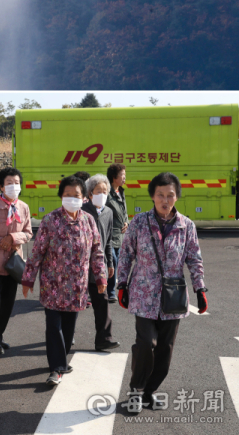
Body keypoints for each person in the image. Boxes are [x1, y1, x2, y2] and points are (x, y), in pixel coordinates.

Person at [117, 172, 208, 413]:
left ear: (176, 197)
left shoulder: (186, 225)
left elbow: (194, 258)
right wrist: (122, 284)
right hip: (143, 294)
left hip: (173, 297)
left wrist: (200, 288)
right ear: (153, 196)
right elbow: (126, 254)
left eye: (170, 195)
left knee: (165, 350)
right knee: (146, 343)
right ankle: (136, 389)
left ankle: (150, 391)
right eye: (160, 195)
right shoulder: (139, 222)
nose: (165, 200)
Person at [22, 175, 107, 387]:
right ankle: (57, 367)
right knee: (53, 326)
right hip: (52, 286)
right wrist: (28, 278)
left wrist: (100, 276)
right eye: (67, 195)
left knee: (68, 330)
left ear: (84, 197)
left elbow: (97, 251)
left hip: (77, 287)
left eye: (76, 195)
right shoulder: (50, 220)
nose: (71, 199)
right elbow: (37, 252)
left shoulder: (88, 221)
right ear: (61, 196)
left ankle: (61, 358)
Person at [0, 167, 32, 356]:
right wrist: (2, 242)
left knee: (8, 304)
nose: (13, 186)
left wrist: (14, 238)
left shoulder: (24, 207)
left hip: (14, 265)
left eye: (16, 183)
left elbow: (28, 233)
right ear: (1, 186)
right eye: (9, 183)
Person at [83, 174, 120, 350]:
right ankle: (65, 336)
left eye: (105, 191)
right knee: (75, 303)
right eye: (99, 191)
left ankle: (104, 338)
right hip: (80, 267)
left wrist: (110, 263)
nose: (103, 194)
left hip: (100, 266)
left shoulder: (109, 212)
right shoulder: (82, 210)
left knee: (102, 302)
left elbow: (109, 240)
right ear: (90, 193)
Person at [106, 162, 128, 302]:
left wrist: (126, 222)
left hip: (120, 235)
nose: (125, 178)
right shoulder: (106, 193)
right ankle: (110, 291)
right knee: (112, 260)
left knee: (118, 262)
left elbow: (124, 211)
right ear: (114, 177)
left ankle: (112, 288)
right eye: (122, 175)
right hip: (110, 234)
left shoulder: (121, 192)